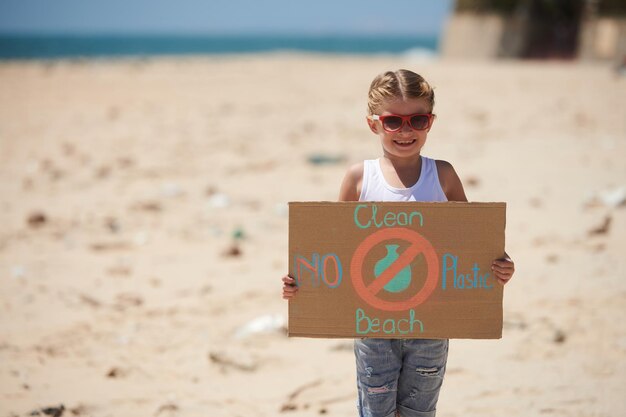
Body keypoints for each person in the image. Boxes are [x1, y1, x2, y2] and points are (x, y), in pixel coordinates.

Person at [282, 69, 515, 417]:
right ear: (373, 124)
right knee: (375, 411)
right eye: (393, 121)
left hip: (432, 324)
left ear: (430, 122)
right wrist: (302, 284)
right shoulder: (359, 178)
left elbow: (472, 244)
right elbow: (334, 250)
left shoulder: (444, 176)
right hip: (372, 324)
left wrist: (500, 266)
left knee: (420, 412)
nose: (406, 131)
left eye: (417, 120)